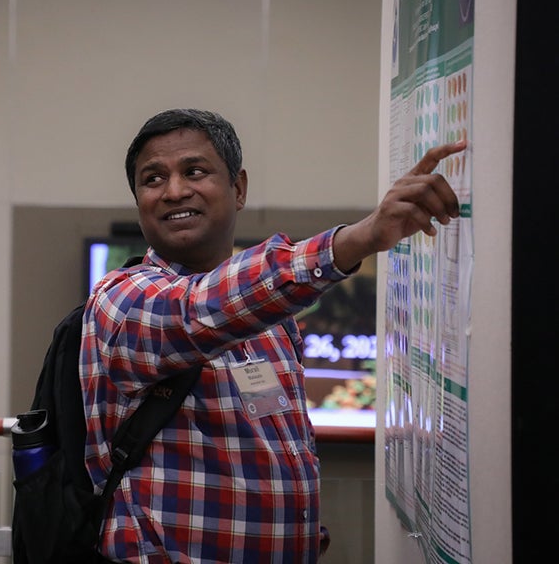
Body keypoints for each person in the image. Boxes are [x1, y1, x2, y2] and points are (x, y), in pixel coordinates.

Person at [80, 108, 465, 563]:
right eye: (153, 179)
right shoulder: (121, 300)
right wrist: (360, 238)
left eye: (195, 171)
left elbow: (276, 443)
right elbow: (198, 314)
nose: (175, 191)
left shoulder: (271, 319)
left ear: (238, 188)